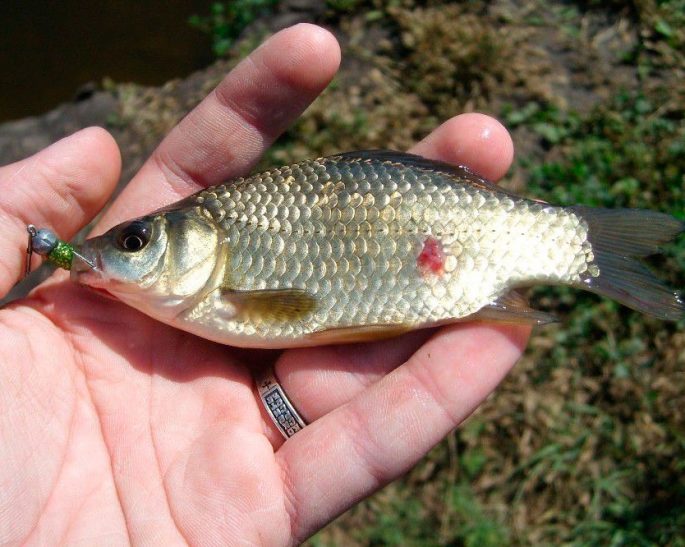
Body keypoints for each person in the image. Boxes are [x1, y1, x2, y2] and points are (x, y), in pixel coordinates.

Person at [0, 24, 529, 545]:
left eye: (136, 242)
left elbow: (290, 309)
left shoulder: (219, 296)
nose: (120, 253)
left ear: (203, 239)